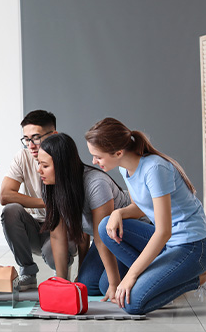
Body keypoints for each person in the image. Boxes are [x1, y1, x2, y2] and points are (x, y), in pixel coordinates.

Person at [85, 117, 206, 314]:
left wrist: (132, 275)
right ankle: (158, 277)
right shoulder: (125, 168)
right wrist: (119, 212)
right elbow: (141, 207)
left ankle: (197, 277)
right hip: (167, 243)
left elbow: (164, 231)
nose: (94, 161)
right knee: (105, 227)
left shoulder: (155, 169)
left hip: (192, 245)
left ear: (118, 152)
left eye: (98, 156)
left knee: (132, 303)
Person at [37, 133, 138, 299]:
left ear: (62, 167)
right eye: (38, 163)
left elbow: (101, 237)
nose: (39, 170)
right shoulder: (54, 184)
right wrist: (63, 284)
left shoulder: (95, 183)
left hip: (129, 233)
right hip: (109, 237)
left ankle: (154, 267)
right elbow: (58, 236)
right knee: (87, 285)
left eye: (45, 165)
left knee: (106, 285)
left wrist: (114, 284)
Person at [0, 110, 77, 290]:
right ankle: (27, 271)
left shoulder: (66, 158)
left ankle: (63, 272)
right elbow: (5, 195)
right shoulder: (23, 157)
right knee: (10, 210)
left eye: (36, 137)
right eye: (26, 139)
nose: (31, 145)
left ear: (54, 135)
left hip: (64, 227)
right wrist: (46, 203)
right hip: (35, 226)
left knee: (53, 256)